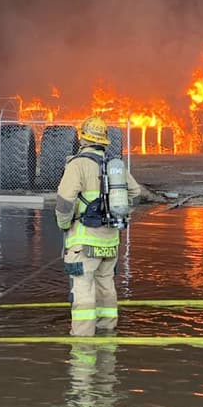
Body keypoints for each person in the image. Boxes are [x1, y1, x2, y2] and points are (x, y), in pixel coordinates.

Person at [54, 117, 142, 336]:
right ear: (104, 140)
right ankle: (107, 334)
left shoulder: (77, 164)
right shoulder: (114, 166)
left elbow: (64, 201)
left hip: (83, 243)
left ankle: (83, 344)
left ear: (82, 138)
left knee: (83, 289)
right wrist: (119, 212)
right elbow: (136, 193)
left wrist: (64, 225)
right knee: (106, 287)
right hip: (110, 242)